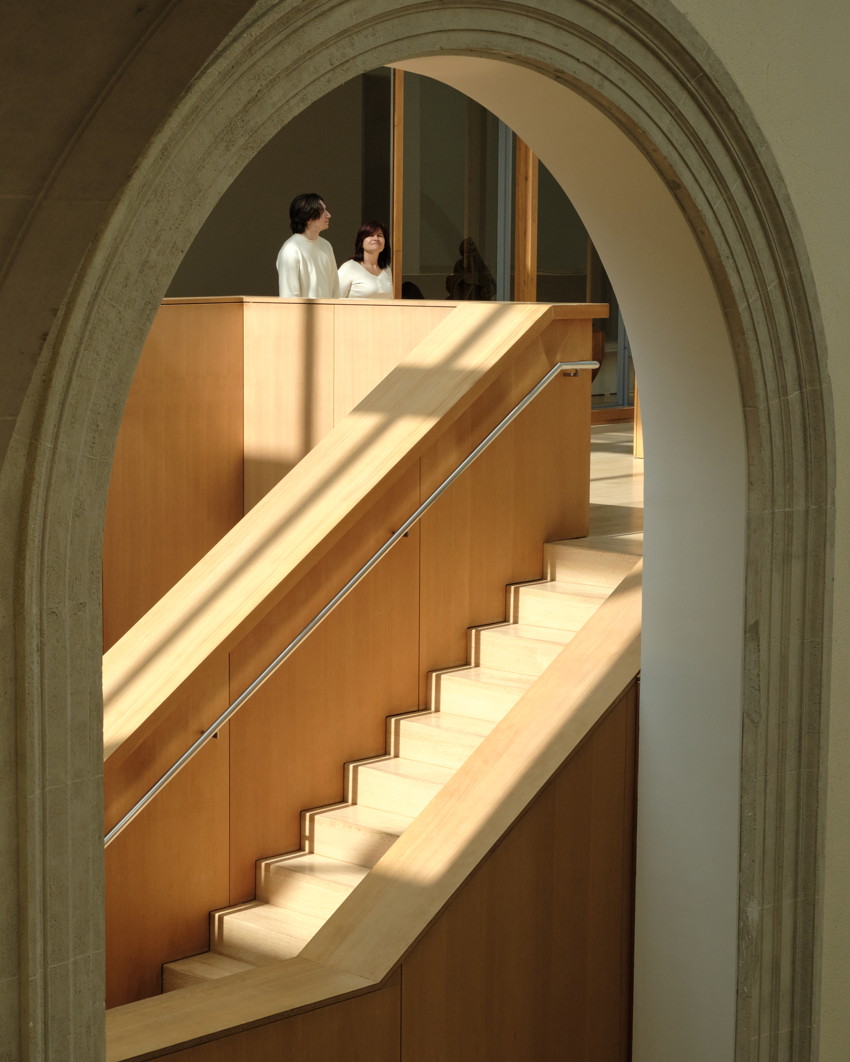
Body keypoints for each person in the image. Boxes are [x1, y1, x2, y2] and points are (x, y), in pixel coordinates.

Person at [276, 193, 340, 298]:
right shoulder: (291, 249)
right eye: (322, 211)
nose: (328, 215)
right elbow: (290, 296)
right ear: (308, 217)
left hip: (328, 313)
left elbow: (335, 289)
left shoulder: (326, 246)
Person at [337, 220, 394, 298]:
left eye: (380, 235)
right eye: (370, 235)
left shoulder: (386, 269)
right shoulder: (349, 267)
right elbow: (335, 300)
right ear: (361, 242)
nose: (376, 238)